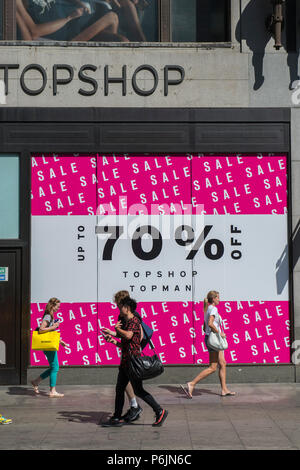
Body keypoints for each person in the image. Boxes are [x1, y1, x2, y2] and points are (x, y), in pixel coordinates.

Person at [101, 296, 168, 427]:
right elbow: (124, 343)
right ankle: (116, 417)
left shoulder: (134, 321)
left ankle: (160, 411)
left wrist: (116, 329)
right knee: (121, 389)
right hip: (126, 362)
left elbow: (128, 335)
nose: (119, 309)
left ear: (128, 308)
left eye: (121, 307)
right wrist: (113, 339)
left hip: (132, 363)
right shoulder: (127, 322)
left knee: (138, 390)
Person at [181, 291, 236, 398]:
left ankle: (224, 389)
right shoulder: (213, 309)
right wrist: (219, 333)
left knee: (223, 363)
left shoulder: (207, 309)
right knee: (213, 367)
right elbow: (210, 324)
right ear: (214, 299)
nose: (219, 300)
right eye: (218, 298)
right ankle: (192, 383)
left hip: (210, 339)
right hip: (214, 339)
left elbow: (204, 327)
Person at [102, 290, 143, 423]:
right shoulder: (123, 315)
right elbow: (124, 334)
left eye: (118, 305)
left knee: (130, 385)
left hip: (132, 352)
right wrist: (113, 334)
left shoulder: (133, 316)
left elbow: (135, 335)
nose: (117, 307)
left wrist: (117, 333)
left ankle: (137, 407)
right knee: (124, 384)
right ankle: (131, 408)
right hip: (128, 351)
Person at [16, 0, 128, 42]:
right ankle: (73, 46)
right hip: (72, 32)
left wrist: (79, 3)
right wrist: (68, 18)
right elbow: (34, 31)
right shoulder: (19, 3)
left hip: (82, 22)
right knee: (112, 17)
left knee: (122, 40)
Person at [31, 297, 67, 398]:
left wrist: (60, 341)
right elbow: (41, 330)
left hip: (48, 345)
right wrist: (54, 326)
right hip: (48, 346)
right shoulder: (48, 316)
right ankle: (52, 391)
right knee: (55, 367)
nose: (58, 309)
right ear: (53, 305)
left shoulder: (50, 315)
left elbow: (50, 334)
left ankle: (36, 381)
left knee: (53, 367)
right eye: (57, 306)